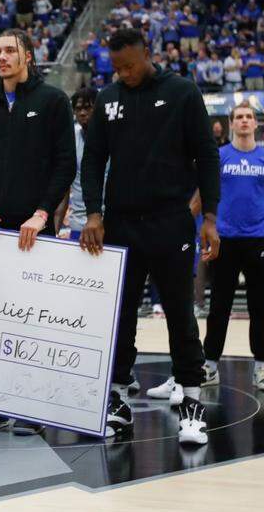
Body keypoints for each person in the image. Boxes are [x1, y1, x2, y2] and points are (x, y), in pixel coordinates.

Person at [80, 28, 219, 444]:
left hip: (172, 221)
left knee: (180, 313)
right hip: (121, 224)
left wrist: (209, 216)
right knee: (120, 316)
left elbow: (207, 156)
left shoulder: (183, 92)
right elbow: (93, 161)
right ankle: (118, 402)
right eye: (116, 67)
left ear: (148, 54)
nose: (123, 73)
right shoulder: (108, 99)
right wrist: (93, 213)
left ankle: (192, 403)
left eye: (129, 65)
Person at [0, 28, 76, 435]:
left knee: (34, 319)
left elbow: (65, 164)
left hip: (35, 230)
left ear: (28, 55)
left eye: (10, 50)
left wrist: (43, 213)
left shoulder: (53, 101)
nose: (2, 57)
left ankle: (33, 403)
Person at [202, 104, 264, 391]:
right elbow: (208, 194)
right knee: (219, 305)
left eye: (249, 117)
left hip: (257, 238)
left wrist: (257, 220)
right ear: (231, 123)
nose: (244, 121)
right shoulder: (220, 156)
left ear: (255, 124)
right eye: (239, 117)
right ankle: (210, 365)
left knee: (260, 306)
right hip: (224, 239)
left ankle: (261, 366)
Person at [55, 87, 97, 241]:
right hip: (78, 225)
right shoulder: (71, 138)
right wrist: (56, 230)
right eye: (78, 109)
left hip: (108, 224)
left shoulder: (113, 137)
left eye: (88, 108)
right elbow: (64, 187)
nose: (82, 113)